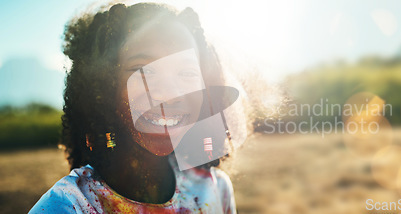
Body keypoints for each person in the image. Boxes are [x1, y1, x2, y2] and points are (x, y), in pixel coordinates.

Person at [30, 2, 247, 213]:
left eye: (187, 73)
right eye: (144, 71)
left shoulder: (215, 189)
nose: (169, 95)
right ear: (104, 87)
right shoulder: (66, 206)